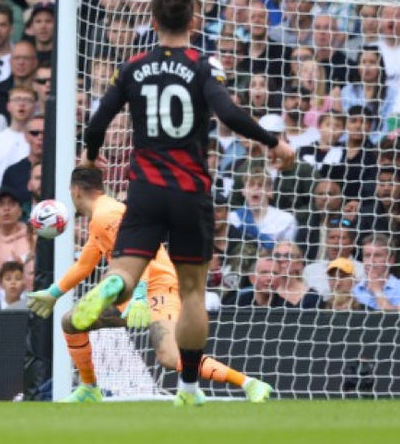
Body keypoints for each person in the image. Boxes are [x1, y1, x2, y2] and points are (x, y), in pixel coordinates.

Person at [73, 0, 294, 406]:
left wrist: (92, 157)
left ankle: (111, 285)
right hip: (190, 192)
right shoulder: (202, 64)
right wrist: (273, 142)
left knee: (124, 271)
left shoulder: (132, 66)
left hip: (145, 190)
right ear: (192, 20)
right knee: (192, 292)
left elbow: (98, 121)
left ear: (153, 22)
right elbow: (228, 113)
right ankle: (189, 389)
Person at [27, 168, 272, 402]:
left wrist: (141, 295)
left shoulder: (108, 215)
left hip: (157, 288)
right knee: (72, 322)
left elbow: (139, 253)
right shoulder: (99, 219)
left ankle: (248, 383)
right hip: (133, 292)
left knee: (169, 356)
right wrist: (53, 293)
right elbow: (84, 266)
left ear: (76, 191)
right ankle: (90, 388)